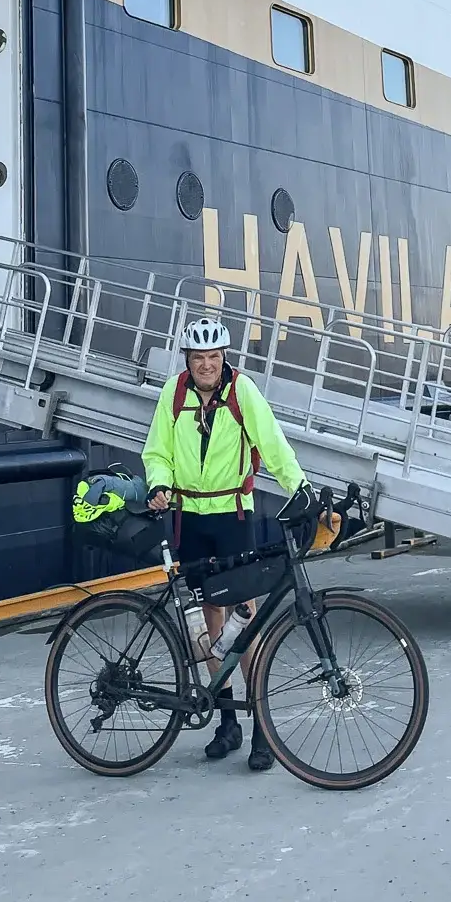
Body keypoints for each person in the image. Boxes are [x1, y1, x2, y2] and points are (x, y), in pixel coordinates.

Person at [143, 312, 313, 773]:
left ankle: (261, 730)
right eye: (198, 357)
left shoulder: (242, 392)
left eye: (213, 356)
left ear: (224, 357)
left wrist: (300, 488)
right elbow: (156, 449)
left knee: (246, 621)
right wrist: (159, 481)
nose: (206, 365)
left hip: (233, 516)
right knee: (211, 621)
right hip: (189, 518)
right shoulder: (173, 394)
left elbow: (272, 443)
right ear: (188, 359)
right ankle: (226, 724)